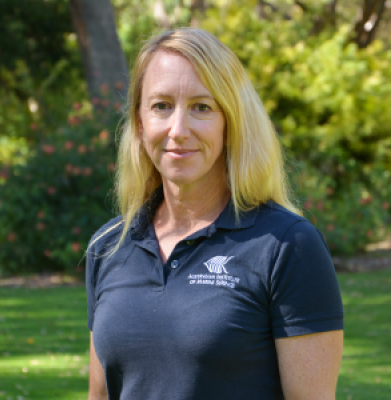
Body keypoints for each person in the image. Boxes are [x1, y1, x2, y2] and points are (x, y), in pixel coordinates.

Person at [86, 28, 344, 400]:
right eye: (161, 106)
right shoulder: (109, 245)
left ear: (231, 122)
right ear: (140, 125)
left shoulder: (287, 246)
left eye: (201, 107)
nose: (178, 130)